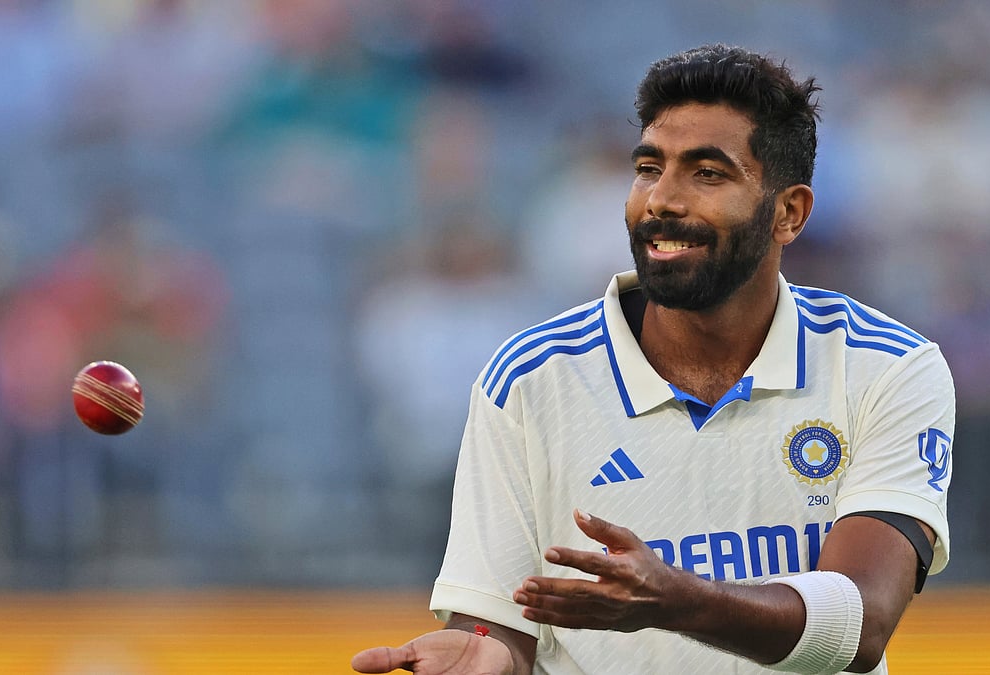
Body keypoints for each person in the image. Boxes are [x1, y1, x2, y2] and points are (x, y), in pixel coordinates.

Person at [352, 44, 954, 675]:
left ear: (789, 213)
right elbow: (499, 626)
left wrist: (674, 600)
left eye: (708, 174)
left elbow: (860, 623)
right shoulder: (529, 380)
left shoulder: (887, 367)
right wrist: (486, 654)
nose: (660, 200)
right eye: (648, 167)